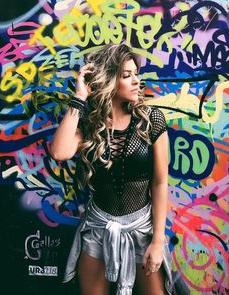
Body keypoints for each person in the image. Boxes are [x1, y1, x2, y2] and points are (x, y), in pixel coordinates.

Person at [49, 44, 173, 295]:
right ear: (109, 80)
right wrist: (80, 96)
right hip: (98, 228)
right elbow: (59, 152)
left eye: (136, 74)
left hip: (142, 229)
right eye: (127, 76)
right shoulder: (89, 123)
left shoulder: (152, 121)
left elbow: (160, 183)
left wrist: (158, 241)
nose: (137, 81)